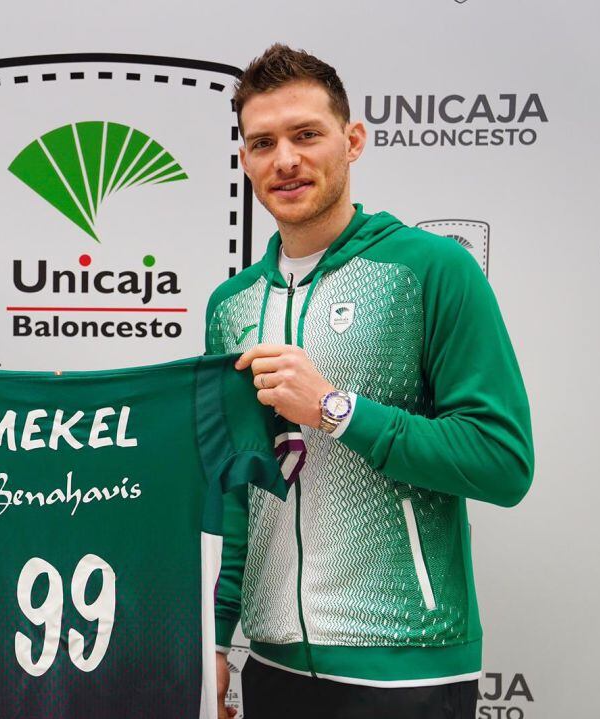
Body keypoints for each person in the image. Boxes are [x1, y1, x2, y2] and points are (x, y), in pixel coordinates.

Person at [206, 45, 534, 718]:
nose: (285, 160)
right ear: (244, 159)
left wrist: (334, 409)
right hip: (270, 666)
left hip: (405, 670)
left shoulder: (431, 270)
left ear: (352, 141)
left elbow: (503, 462)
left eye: (306, 135)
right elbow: (234, 493)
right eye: (263, 142)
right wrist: (213, 637)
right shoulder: (231, 306)